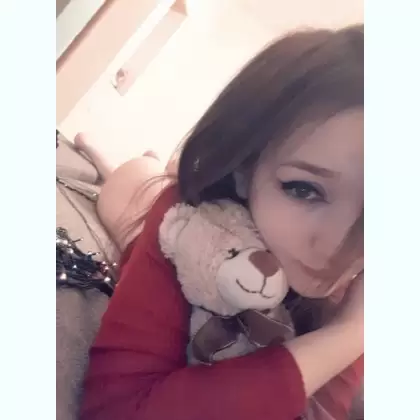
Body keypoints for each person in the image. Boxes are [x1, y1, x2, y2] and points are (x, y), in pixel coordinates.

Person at [78, 24, 364, 420]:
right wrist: (348, 334)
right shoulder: (186, 218)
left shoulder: (360, 286)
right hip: (145, 201)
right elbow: (116, 411)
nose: (335, 247)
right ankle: (118, 159)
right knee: (131, 183)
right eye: (303, 189)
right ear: (244, 167)